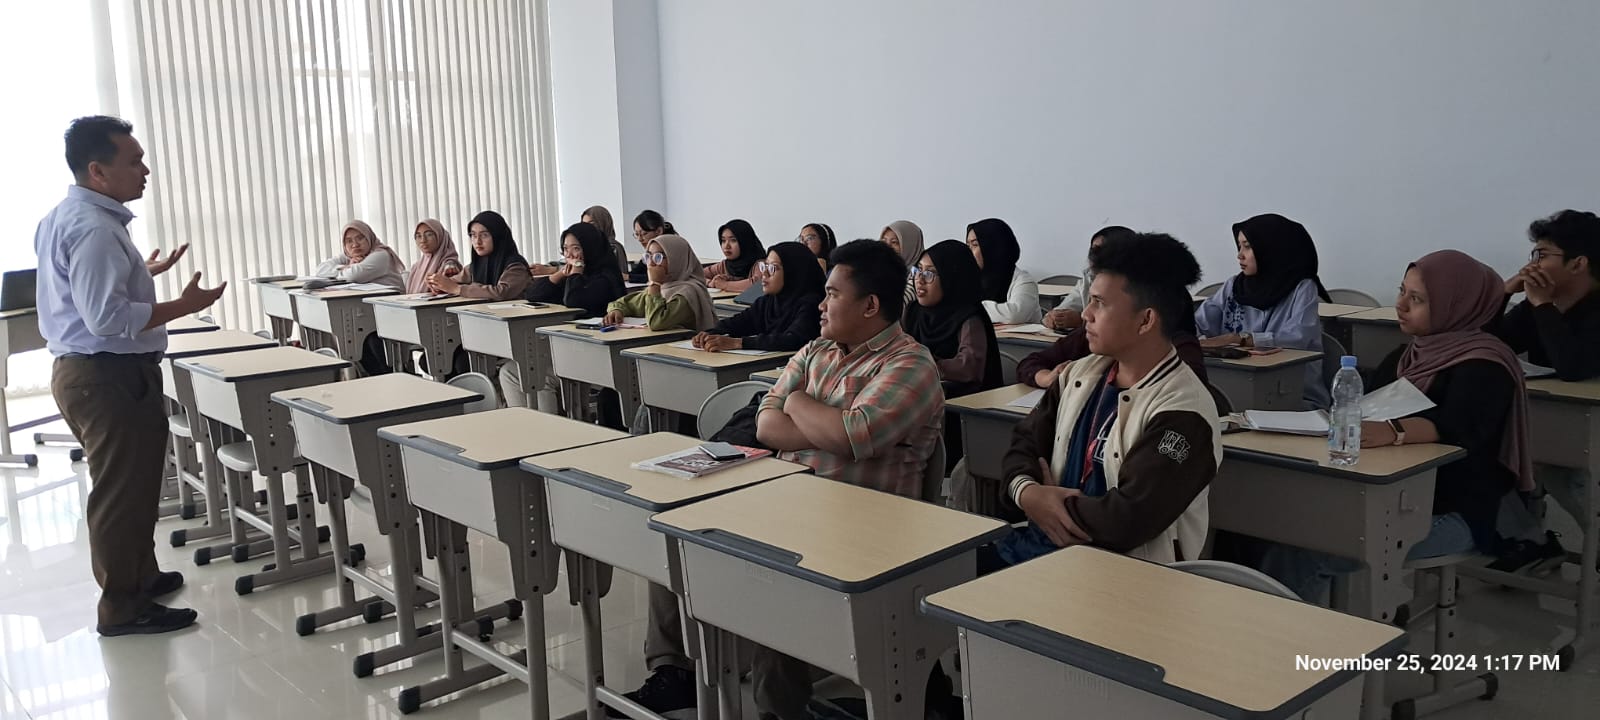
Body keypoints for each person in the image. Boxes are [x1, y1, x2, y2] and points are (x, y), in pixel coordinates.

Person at [618, 240, 943, 719]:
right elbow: (766, 423)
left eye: (833, 294)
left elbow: (853, 435)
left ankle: (778, 707)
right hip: (790, 502)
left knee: (770, 570)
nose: (821, 302)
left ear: (871, 305)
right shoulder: (818, 349)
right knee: (679, 532)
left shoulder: (910, 365)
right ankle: (677, 672)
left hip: (863, 529)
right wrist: (809, 416)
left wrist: (795, 403)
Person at [35, 115, 226, 635]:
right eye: (133, 160)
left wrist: (144, 274)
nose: (145, 170)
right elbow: (106, 319)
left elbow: (88, 290)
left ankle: (141, 576)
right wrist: (182, 305)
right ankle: (122, 607)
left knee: (136, 483)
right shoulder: (96, 229)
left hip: (92, 374)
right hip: (106, 376)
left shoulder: (67, 217)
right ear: (97, 170)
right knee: (121, 493)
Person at [1258, 250, 1531, 603]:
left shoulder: (1486, 365)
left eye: (1415, 299)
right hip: (1386, 498)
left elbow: (1460, 428)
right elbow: (1366, 410)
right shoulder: (1407, 356)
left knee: (1305, 552)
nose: (1400, 304)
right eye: (1401, 291)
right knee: (1281, 529)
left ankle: (1293, 649)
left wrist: (1393, 432)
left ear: (1456, 305)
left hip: (1453, 514)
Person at [983, 231, 1219, 571]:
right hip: (1041, 555)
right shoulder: (1077, 375)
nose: (1085, 315)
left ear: (1146, 320)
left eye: (1100, 303)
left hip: (1124, 580)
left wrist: (1050, 507)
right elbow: (1023, 443)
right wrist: (1029, 494)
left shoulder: (1184, 409)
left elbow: (1127, 519)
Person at [1491, 209, 1600, 571]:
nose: (1532, 264)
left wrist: (1541, 305)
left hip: (1587, 430)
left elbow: (1573, 368)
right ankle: (1531, 540)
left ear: (1578, 263)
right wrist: (1505, 293)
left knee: (1562, 469)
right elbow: (1489, 342)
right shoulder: (1540, 303)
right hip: (1545, 423)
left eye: (1542, 254)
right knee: (1484, 450)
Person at [1194, 213, 1331, 408]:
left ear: (1271, 248)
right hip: (1236, 388)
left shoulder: (1302, 287)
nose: (1239, 255)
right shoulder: (1234, 286)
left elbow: (1297, 337)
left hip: (1294, 396)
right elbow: (1198, 323)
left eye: (1248, 246)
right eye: (1239, 246)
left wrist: (1239, 339)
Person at [501, 222, 629, 409]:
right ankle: (525, 426)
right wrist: (560, 274)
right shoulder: (572, 276)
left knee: (541, 378)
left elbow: (575, 301)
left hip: (596, 356)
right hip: (569, 349)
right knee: (509, 372)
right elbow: (532, 295)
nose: (569, 255)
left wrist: (575, 274)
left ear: (590, 248)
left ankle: (551, 433)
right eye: (565, 249)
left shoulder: (605, 278)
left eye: (576, 248)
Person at [906, 239, 1002, 398]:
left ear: (951, 277)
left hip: (961, 404)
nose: (919, 280)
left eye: (929, 273)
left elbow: (968, 368)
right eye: (918, 270)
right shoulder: (912, 312)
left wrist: (924, 364)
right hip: (919, 394)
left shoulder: (969, 318)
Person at [692, 241, 824, 352]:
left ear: (794, 273)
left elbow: (794, 340)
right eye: (764, 266)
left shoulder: (813, 304)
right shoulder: (768, 301)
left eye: (773, 268)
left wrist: (738, 343)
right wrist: (711, 333)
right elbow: (739, 322)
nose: (764, 273)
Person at [313, 220, 406, 375]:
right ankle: (376, 379)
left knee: (370, 340)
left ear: (369, 238)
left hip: (390, 314)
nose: (355, 244)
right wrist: (345, 266)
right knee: (355, 340)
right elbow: (320, 270)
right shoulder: (349, 256)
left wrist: (348, 268)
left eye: (360, 238)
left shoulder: (380, 255)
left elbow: (353, 276)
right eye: (349, 241)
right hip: (367, 315)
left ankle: (390, 376)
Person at [604, 233, 717, 331]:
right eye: (648, 256)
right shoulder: (665, 288)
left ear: (676, 259)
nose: (651, 263)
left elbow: (656, 322)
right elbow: (623, 303)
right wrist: (616, 310)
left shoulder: (688, 293)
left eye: (658, 257)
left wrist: (655, 283)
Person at [426, 210, 531, 301]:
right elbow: (453, 282)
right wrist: (438, 284)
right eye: (473, 235)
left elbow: (501, 292)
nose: (477, 241)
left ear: (498, 236)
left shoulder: (516, 266)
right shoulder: (476, 265)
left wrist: (457, 289)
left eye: (484, 235)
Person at [1047, 225, 1134, 332]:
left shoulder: (1134, 284)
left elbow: (1122, 324)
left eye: (1101, 251)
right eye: (1093, 250)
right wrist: (1054, 317)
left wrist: (1081, 321)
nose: (1094, 256)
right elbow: (1066, 307)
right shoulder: (1088, 278)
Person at [967, 218, 1041, 324]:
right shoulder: (970, 279)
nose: (968, 252)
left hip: (1017, 340)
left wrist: (970, 308)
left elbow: (1014, 315)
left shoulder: (1024, 281)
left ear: (993, 247)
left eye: (974, 245)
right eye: (968, 246)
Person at [704, 219, 765, 293]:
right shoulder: (725, 265)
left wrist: (725, 285)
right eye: (723, 241)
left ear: (745, 242)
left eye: (733, 240)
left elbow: (758, 284)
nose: (727, 246)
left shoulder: (762, 264)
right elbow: (696, 274)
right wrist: (710, 283)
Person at [405, 218, 461, 294]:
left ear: (440, 236)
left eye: (429, 235)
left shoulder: (449, 265)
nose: (423, 240)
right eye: (418, 236)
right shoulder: (416, 267)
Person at [880, 219, 924, 307]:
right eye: (884, 241)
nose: (887, 247)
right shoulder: (882, 270)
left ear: (910, 245)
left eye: (894, 242)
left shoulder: (918, 273)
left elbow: (897, 305)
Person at [582, 204, 630, 277]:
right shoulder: (584, 248)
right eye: (584, 225)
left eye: (592, 224)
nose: (587, 229)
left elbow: (620, 277)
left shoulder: (614, 247)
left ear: (603, 223)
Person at [627, 209, 673, 283]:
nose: (640, 239)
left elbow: (660, 276)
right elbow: (637, 271)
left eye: (644, 234)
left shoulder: (671, 250)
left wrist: (628, 277)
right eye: (637, 234)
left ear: (659, 231)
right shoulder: (649, 253)